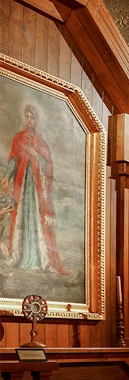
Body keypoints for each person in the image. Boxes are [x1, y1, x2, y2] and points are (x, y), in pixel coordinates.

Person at [3, 103, 69, 274]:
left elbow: (48, 164)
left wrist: (35, 154)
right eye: (27, 117)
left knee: (35, 221)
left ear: (37, 120)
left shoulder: (42, 141)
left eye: (33, 117)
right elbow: (13, 159)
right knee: (22, 219)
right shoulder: (18, 138)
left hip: (36, 189)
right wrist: (7, 176)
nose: (29, 120)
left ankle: (36, 262)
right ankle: (20, 257)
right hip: (22, 186)